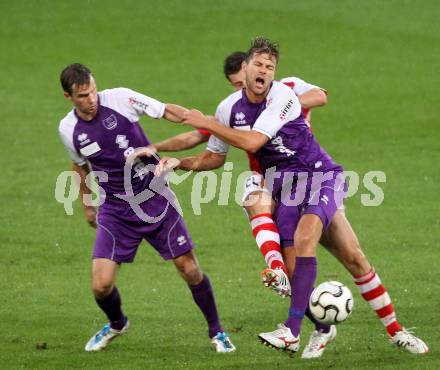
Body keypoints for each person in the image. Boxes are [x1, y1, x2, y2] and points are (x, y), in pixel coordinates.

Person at [141, 37, 428, 358]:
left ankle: (296, 332)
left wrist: (206, 122)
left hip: (320, 177)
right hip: (286, 190)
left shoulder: (284, 95)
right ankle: (349, 330)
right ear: (244, 69)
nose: (264, 70)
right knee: (347, 258)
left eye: (270, 66)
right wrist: (181, 162)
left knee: (309, 241)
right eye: (258, 65)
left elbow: (252, 142)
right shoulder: (227, 109)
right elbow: (214, 157)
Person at [58, 63, 235, 353]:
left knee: (188, 268)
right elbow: (79, 166)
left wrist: (202, 121)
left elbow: (166, 110)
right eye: (82, 96)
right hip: (115, 210)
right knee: (101, 286)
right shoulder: (68, 129)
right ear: (68, 97)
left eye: (92, 91)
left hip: (154, 196)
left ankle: (217, 332)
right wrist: (87, 204)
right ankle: (117, 323)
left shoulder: (121, 98)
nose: (91, 99)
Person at [143, 51, 328, 298]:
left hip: (311, 173)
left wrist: (282, 108)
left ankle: (387, 325)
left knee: (349, 254)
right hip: (267, 178)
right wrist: (160, 149)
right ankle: (278, 272)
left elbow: (320, 95)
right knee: (257, 205)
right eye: (236, 85)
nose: (243, 87)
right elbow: (199, 137)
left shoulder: (286, 91)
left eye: (245, 80)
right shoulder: (232, 108)